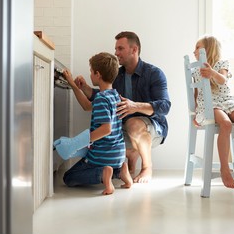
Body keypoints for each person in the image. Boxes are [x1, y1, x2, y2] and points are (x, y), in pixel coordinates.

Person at [73, 31, 171, 183]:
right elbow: (102, 97)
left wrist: (135, 106)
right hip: (124, 130)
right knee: (107, 135)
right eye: (116, 49)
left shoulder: (154, 74)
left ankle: (147, 168)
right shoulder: (118, 75)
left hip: (153, 129)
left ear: (134, 49)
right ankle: (130, 156)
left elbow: (165, 106)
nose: (116, 53)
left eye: (120, 48)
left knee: (133, 123)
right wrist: (84, 87)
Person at [54, 52, 133, 195]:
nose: (90, 75)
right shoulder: (114, 95)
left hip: (102, 155)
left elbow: (106, 129)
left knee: (69, 177)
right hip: (117, 155)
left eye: (91, 72)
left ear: (98, 74)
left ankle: (103, 174)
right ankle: (120, 172)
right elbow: (86, 105)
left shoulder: (101, 99)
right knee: (99, 163)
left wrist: (80, 142)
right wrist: (73, 84)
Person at [192, 35, 234, 189]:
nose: (194, 51)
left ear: (208, 49)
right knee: (225, 124)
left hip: (227, 100)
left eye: (198, 47)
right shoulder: (195, 69)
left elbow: (222, 80)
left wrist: (212, 72)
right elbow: (196, 94)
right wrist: (195, 113)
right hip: (209, 104)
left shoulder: (222, 64)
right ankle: (224, 168)